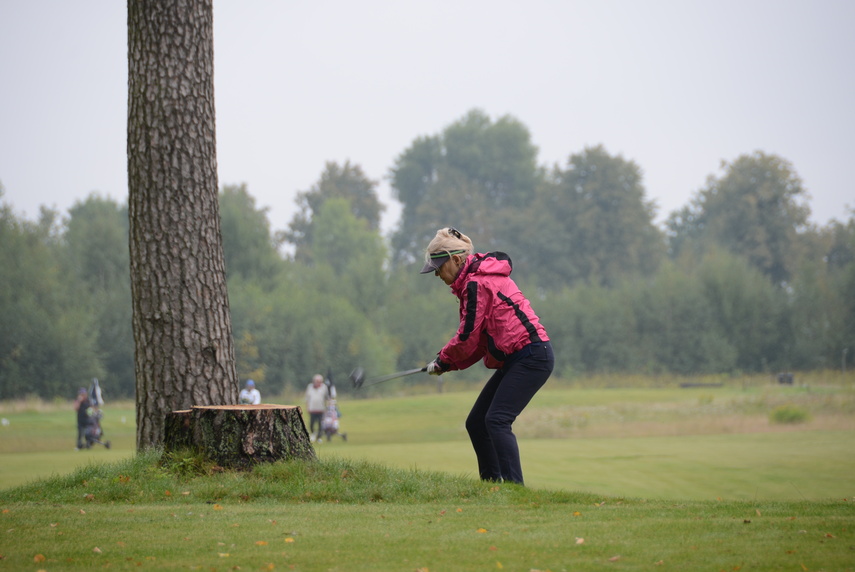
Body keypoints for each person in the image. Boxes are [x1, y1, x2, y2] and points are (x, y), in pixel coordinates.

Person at [420, 227, 554, 485]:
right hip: (517, 357)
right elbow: (478, 343)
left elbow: (467, 336)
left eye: (439, 266)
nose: (437, 273)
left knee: (496, 420)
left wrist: (443, 360)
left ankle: (514, 490)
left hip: (532, 355)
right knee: (477, 422)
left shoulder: (476, 284)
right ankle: (492, 487)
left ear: (457, 259)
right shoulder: (475, 282)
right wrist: (445, 364)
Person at [305, 374, 330, 442]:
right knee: (312, 423)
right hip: (312, 408)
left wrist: (326, 407)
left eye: (319, 381)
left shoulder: (324, 387)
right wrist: (307, 407)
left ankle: (319, 437)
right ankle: (313, 434)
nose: (318, 383)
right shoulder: (310, 387)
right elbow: (307, 398)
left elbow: (326, 398)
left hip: (321, 409)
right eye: (317, 381)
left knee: (320, 424)